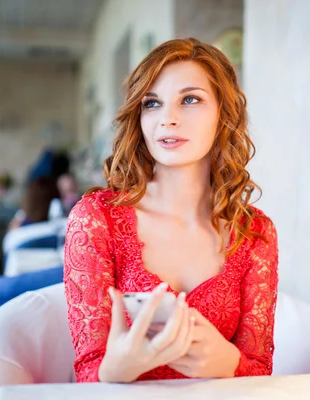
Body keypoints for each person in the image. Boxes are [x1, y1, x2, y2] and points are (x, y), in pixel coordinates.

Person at [64, 37, 279, 383]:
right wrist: (115, 369)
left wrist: (231, 363)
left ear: (224, 113)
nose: (167, 119)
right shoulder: (96, 219)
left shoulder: (255, 234)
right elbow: (87, 371)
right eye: (152, 103)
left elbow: (260, 370)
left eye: (190, 99)